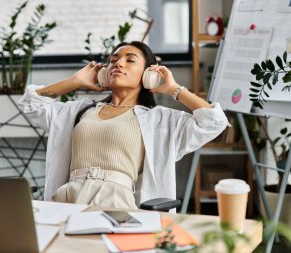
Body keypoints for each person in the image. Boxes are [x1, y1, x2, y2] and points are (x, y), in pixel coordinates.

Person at [18, 41, 229, 211]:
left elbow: (214, 121)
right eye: (113, 60)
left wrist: (174, 89)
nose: (118, 64)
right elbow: (30, 104)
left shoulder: (159, 121)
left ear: (149, 75)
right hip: (67, 197)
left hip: (116, 202)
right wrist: (75, 81)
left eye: (130, 60)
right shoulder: (80, 111)